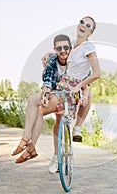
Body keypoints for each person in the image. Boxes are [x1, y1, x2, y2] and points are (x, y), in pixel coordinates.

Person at [45, 16, 101, 173]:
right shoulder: (73, 46)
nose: (83, 25)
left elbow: (96, 73)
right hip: (63, 82)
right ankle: (56, 158)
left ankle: (77, 128)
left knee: (86, 100)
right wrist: (49, 55)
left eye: (88, 25)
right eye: (82, 22)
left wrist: (82, 86)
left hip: (75, 85)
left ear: (91, 31)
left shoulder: (89, 46)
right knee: (58, 120)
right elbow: (63, 59)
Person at [11, 34, 72, 163]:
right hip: (54, 93)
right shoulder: (52, 60)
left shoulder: (75, 60)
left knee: (47, 105)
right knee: (33, 100)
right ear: (55, 49)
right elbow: (48, 80)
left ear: (70, 48)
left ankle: (29, 148)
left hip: (69, 96)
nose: (63, 51)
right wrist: (45, 94)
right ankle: (26, 138)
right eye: (59, 48)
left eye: (66, 47)